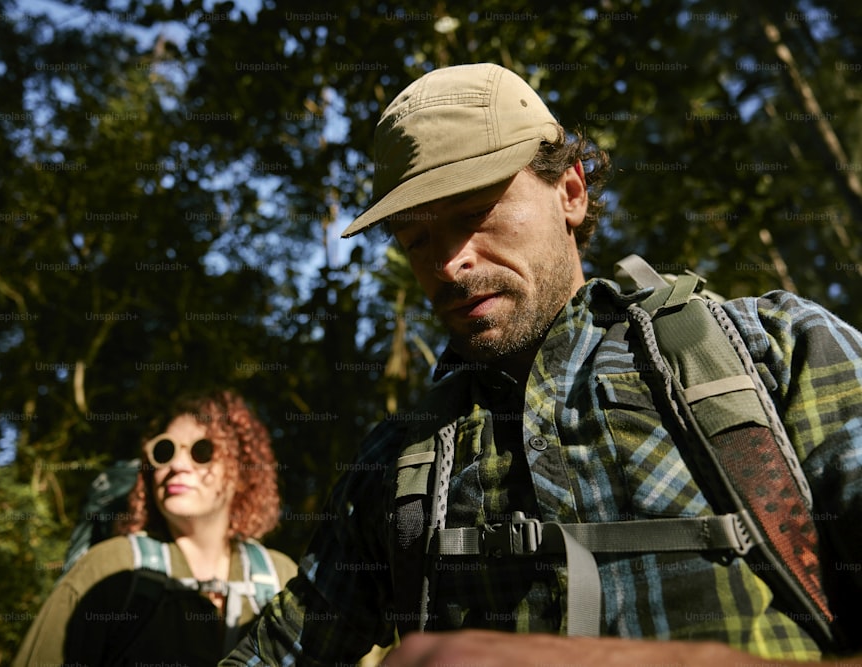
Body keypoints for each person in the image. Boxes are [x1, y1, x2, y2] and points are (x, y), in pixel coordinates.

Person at [222, 63, 862, 665]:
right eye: (417, 239)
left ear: (572, 191)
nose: (450, 263)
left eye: (476, 213)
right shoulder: (398, 462)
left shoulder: (766, 350)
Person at [14, 389, 296, 666]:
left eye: (202, 450)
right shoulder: (110, 566)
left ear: (242, 474)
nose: (177, 464)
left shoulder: (281, 579)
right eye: (164, 451)